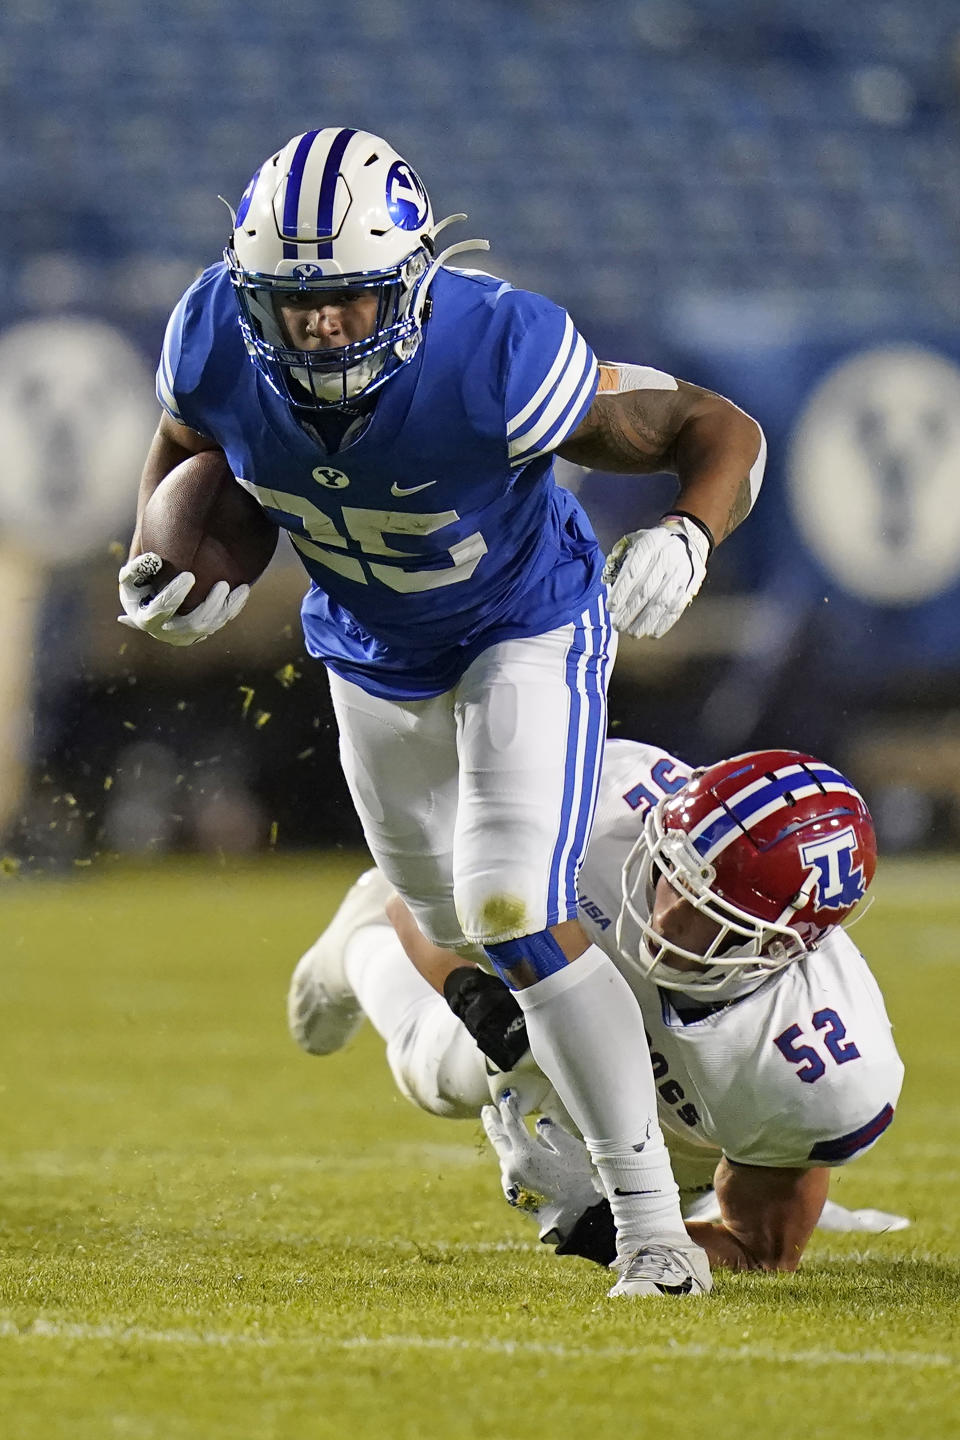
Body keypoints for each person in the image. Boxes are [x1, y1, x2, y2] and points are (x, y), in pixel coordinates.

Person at [119, 127, 766, 1295]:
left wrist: (686, 531)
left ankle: (652, 1227)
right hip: (369, 650)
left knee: (511, 901)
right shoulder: (212, 331)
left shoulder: (497, 352)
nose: (318, 331)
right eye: (293, 305)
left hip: (526, 625)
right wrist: (167, 563)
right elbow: (186, 449)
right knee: (451, 996)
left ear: (411, 282)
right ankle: (371, 955)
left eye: (348, 304)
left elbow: (718, 428)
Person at [288, 739, 905, 1276]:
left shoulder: (820, 1074)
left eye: (711, 918)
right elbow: (413, 897)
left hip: (693, 1131)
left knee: (693, 1174)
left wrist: (588, 1222)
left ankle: (695, 1190)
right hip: (559, 968)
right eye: (670, 876)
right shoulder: (597, 800)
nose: (664, 920)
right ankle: (356, 950)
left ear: (782, 946)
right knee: (444, 1074)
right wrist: (467, 993)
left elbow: (757, 1251)